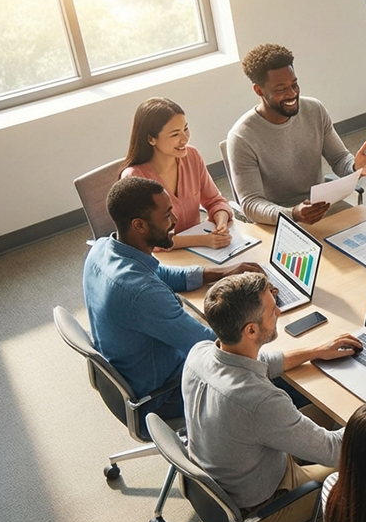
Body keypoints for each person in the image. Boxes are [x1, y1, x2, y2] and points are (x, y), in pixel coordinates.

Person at [182, 272, 366, 522]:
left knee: (324, 409)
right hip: (262, 507)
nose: (279, 311)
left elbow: (256, 364)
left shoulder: (200, 352)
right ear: (251, 330)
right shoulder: (260, 402)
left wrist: (315, 351)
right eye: (272, 310)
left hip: (230, 476)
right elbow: (336, 450)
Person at [82, 177, 259, 421]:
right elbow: (215, 348)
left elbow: (159, 273)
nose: (175, 220)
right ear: (140, 226)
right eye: (166, 215)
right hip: (162, 396)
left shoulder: (102, 248)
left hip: (129, 375)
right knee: (278, 382)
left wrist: (221, 272)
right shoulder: (142, 294)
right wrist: (265, 329)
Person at [227, 43, 366, 225]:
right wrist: (293, 214)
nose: (292, 94)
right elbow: (251, 204)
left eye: (294, 85)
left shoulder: (314, 110)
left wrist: (355, 167)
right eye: (281, 89)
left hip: (320, 207)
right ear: (259, 90)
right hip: (278, 220)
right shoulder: (241, 138)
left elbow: (339, 159)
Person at [120, 98, 233, 251]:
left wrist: (221, 224)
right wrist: (203, 240)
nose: (185, 139)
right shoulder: (134, 178)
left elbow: (215, 201)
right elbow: (149, 240)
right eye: (175, 135)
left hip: (201, 251)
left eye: (185, 129)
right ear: (151, 139)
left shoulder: (192, 156)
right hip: (161, 262)